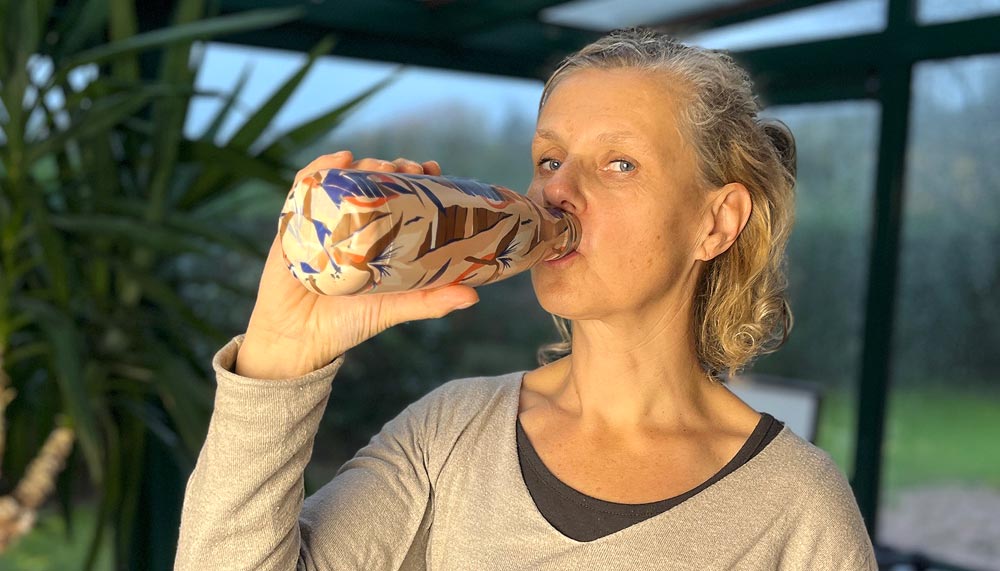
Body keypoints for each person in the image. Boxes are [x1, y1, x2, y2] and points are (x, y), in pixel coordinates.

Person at [176, 28, 875, 570]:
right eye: (549, 158)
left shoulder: (796, 507)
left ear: (715, 222)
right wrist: (278, 354)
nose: (556, 190)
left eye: (619, 163)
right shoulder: (450, 433)